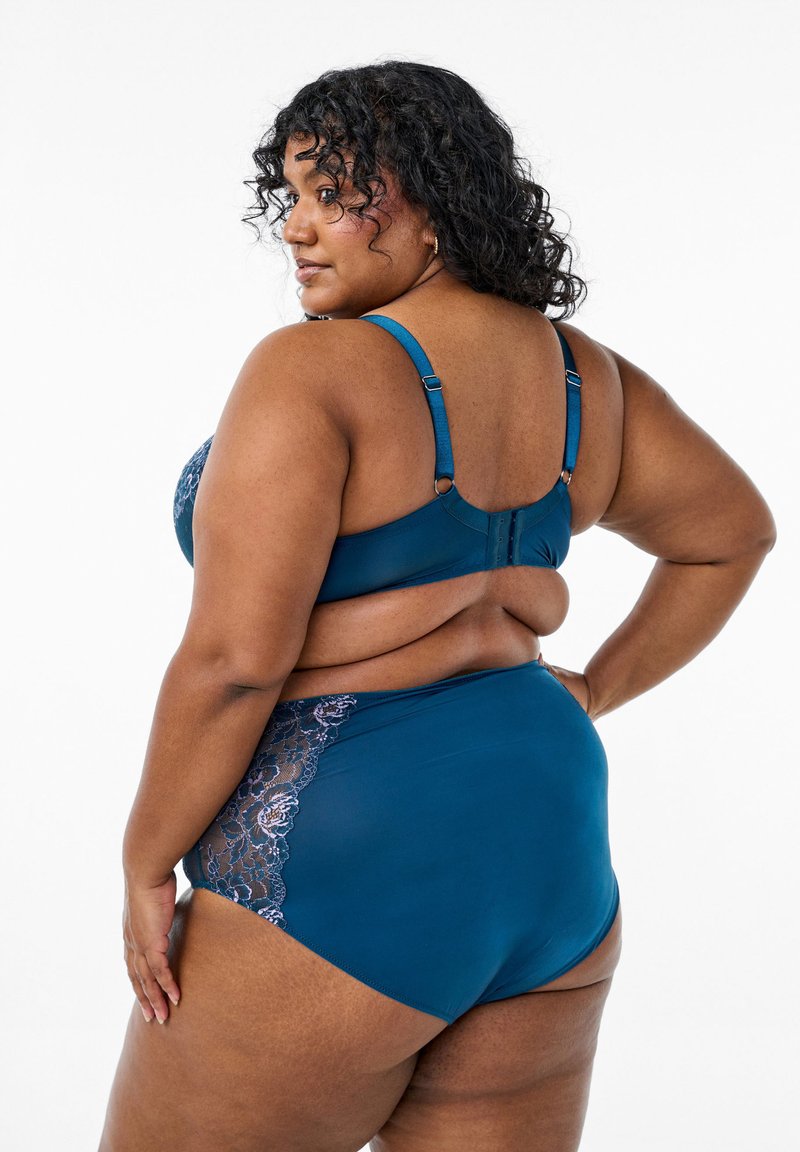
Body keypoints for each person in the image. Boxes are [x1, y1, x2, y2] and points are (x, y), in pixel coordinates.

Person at [98, 60, 776, 1152]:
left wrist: (145, 858)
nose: (296, 229)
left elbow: (234, 662)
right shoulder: (587, 380)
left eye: (335, 195)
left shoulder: (312, 371)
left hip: (345, 848)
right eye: (292, 197)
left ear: (432, 201)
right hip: (551, 846)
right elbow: (729, 535)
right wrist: (590, 692)